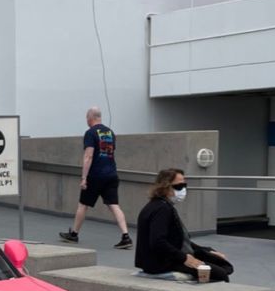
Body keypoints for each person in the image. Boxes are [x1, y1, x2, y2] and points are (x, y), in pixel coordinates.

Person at [135, 168, 234, 282]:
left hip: (165, 257)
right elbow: (157, 242)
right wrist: (185, 258)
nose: (183, 190)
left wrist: (207, 251)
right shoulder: (162, 209)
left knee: (223, 264)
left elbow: (179, 239)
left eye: (184, 185)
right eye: (178, 186)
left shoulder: (161, 205)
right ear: (165, 187)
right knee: (220, 274)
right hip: (160, 263)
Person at [59, 107, 132, 249]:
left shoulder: (90, 133)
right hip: (111, 174)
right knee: (114, 205)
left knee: (83, 204)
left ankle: (74, 234)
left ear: (90, 118)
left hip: (95, 175)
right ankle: (126, 236)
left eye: (87, 117)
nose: (86, 120)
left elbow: (88, 156)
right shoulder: (110, 133)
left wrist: (84, 178)